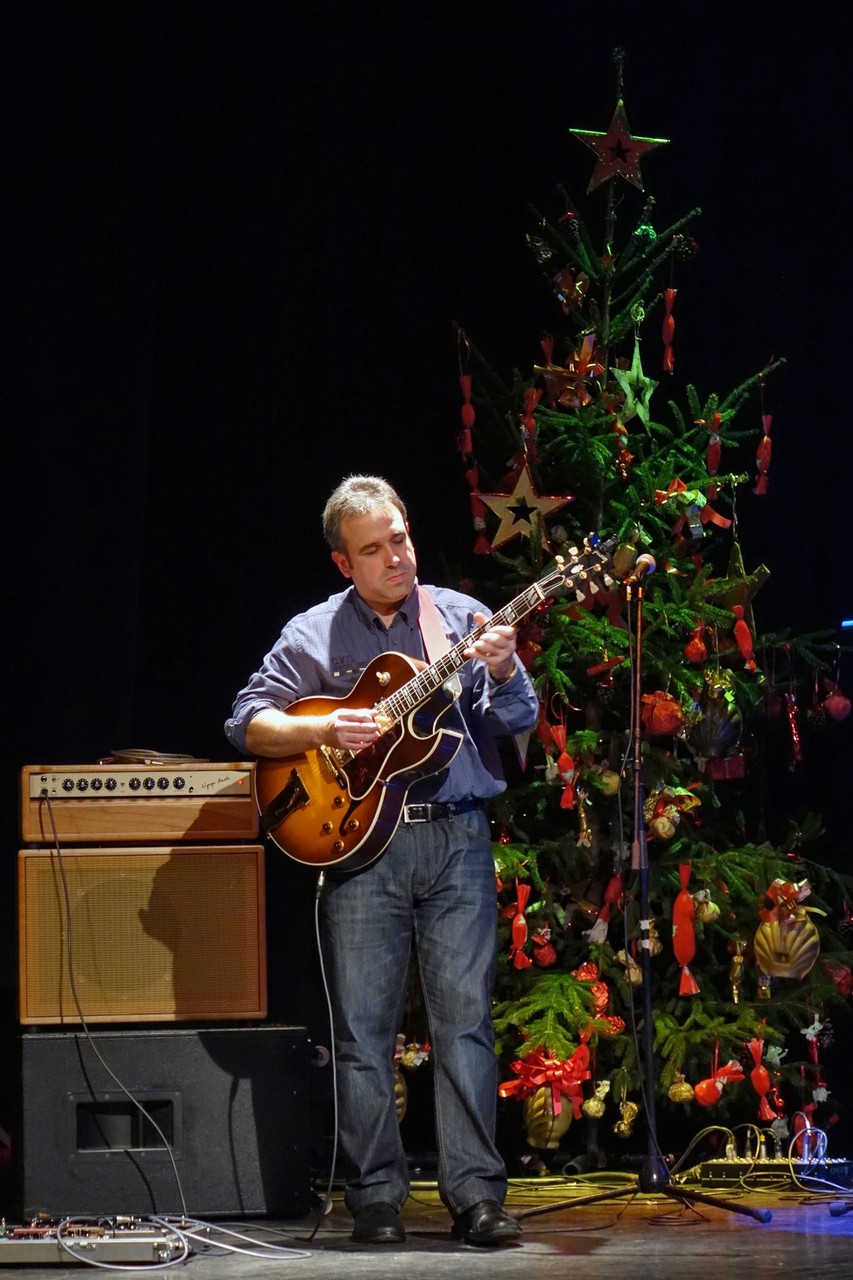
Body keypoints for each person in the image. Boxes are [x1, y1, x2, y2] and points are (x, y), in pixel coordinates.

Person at [225, 474, 538, 1247]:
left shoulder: (458, 619)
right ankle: (374, 1198)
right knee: (363, 1033)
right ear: (344, 563)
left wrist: (503, 669)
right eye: (373, 549)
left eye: (399, 538)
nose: (395, 557)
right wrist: (324, 728)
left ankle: (476, 1198)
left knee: (464, 1024)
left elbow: (519, 718)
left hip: (457, 838)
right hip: (361, 846)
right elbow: (249, 724)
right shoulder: (314, 634)